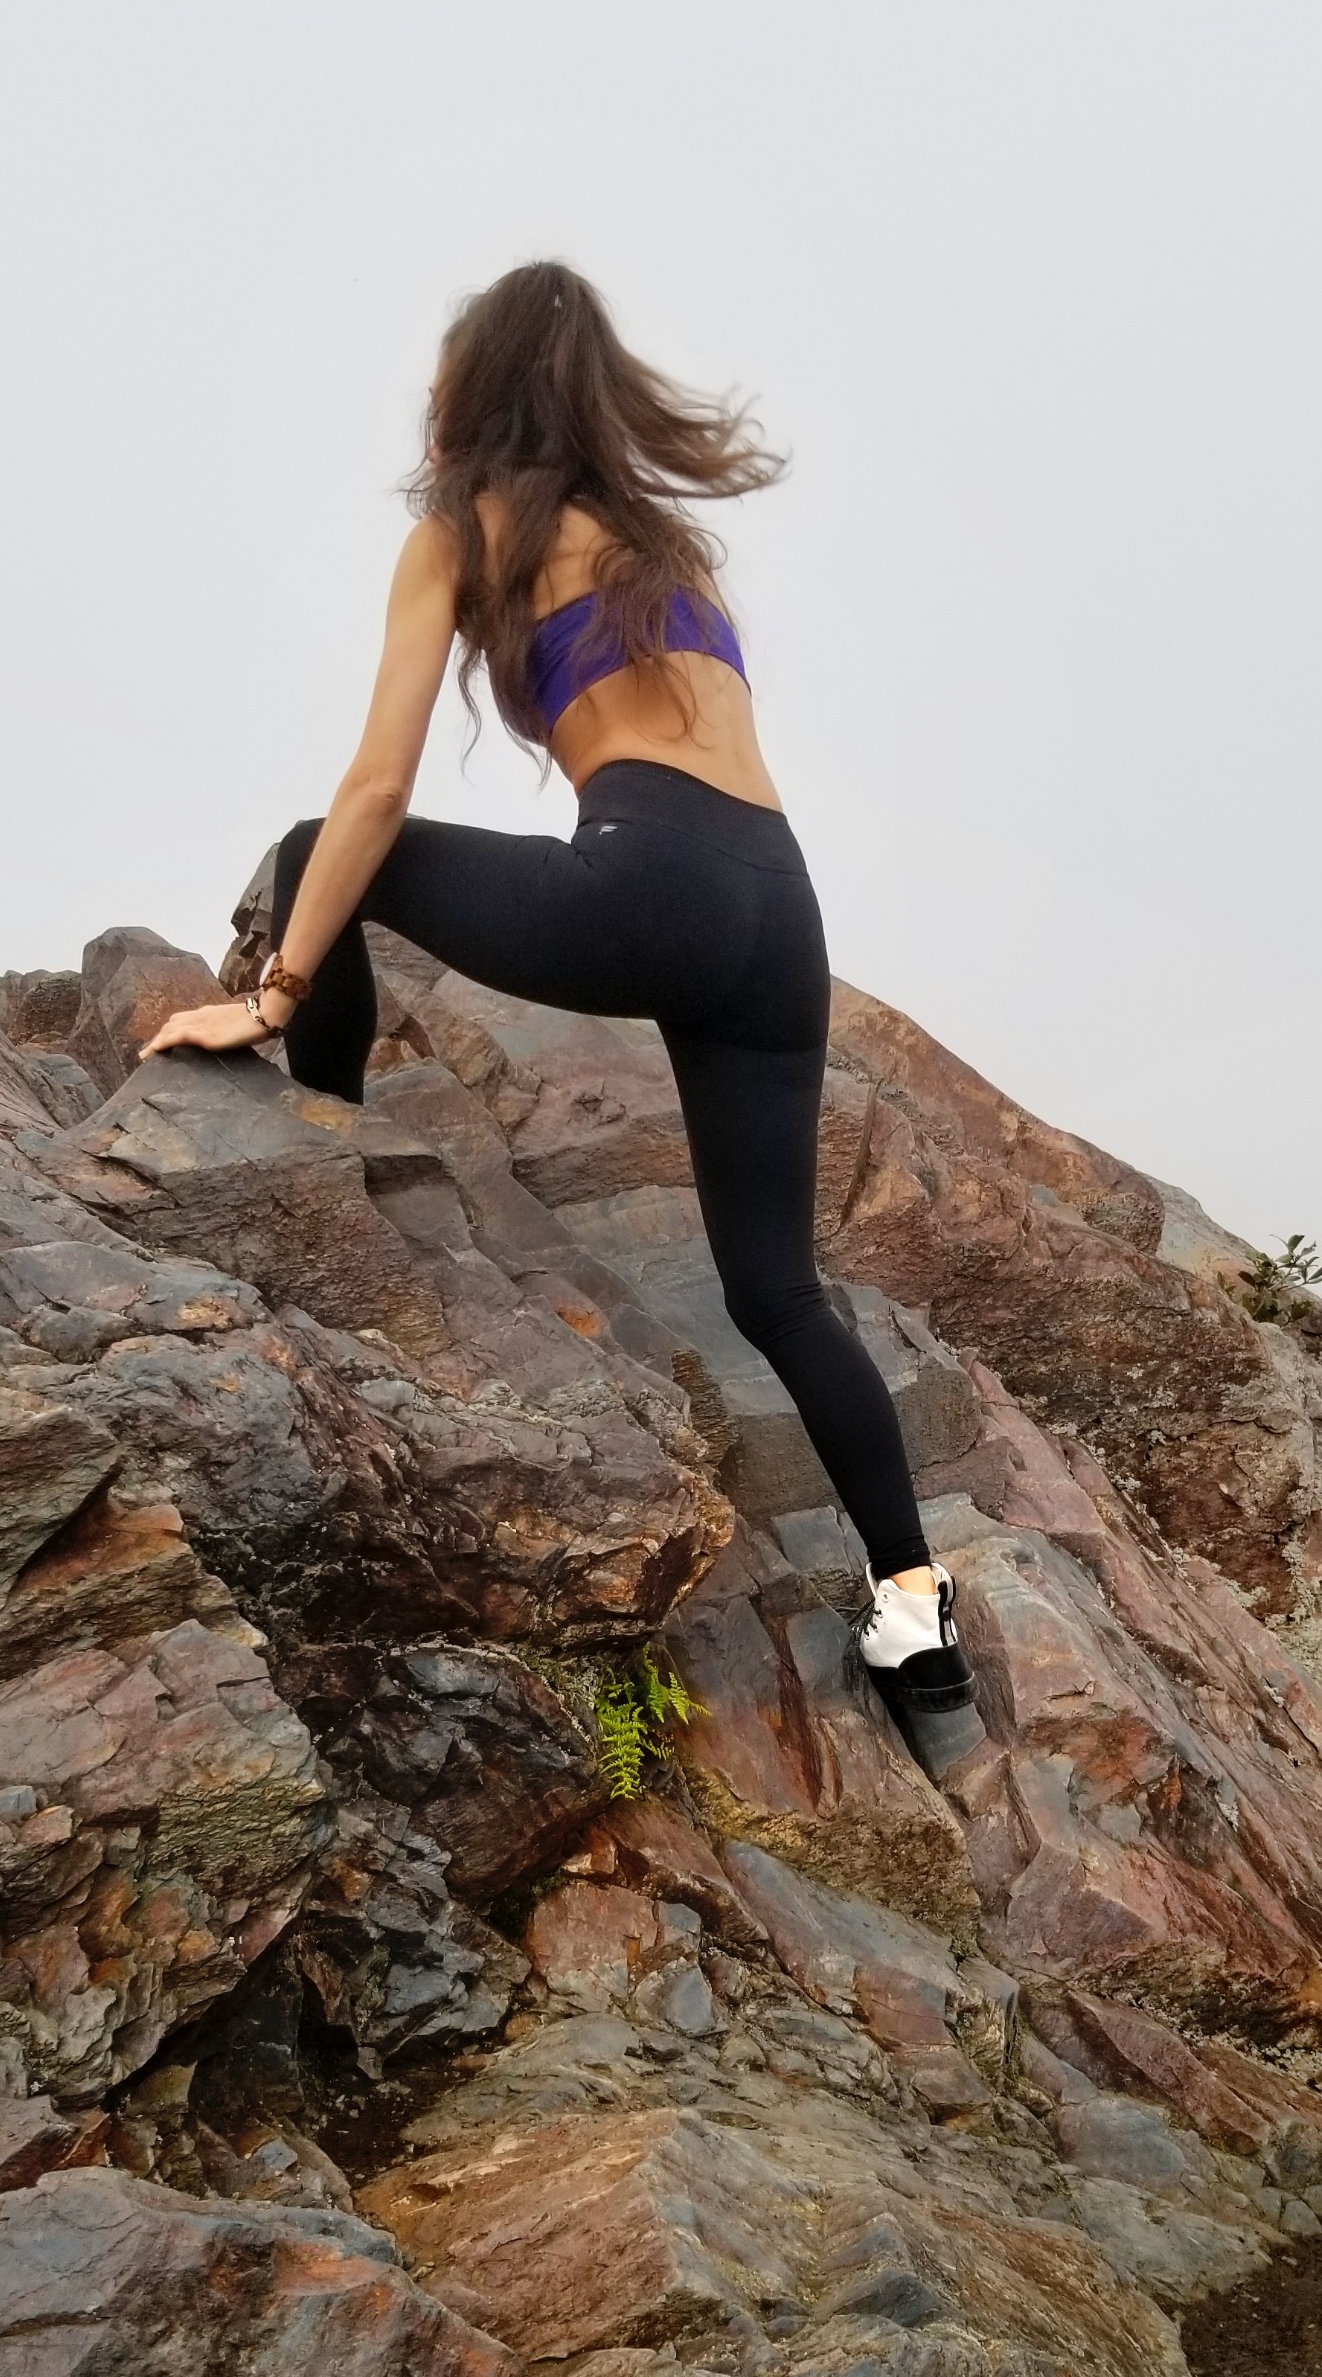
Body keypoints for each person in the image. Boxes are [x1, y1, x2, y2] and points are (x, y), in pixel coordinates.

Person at [144, 260, 971, 1738]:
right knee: (775, 1291)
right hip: (776, 907)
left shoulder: (458, 529)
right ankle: (916, 1614)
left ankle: (319, 1136)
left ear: (465, 392)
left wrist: (272, 997)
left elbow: (378, 789)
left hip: (644, 884)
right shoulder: (669, 551)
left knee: (308, 853)